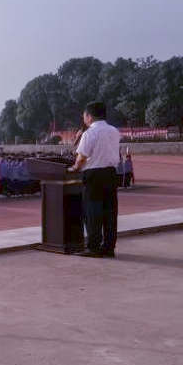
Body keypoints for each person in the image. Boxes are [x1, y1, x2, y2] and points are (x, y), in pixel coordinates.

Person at [68, 101, 122, 258]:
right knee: (110, 213)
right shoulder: (114, 131)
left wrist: (74, 168)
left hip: (93, 175)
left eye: (84, 115)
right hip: (111, 174)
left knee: (92, 213)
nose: (84, 118)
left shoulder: (89, 133)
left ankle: (93, 247)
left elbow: (81, 158)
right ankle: (109, 247)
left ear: (89, 116)